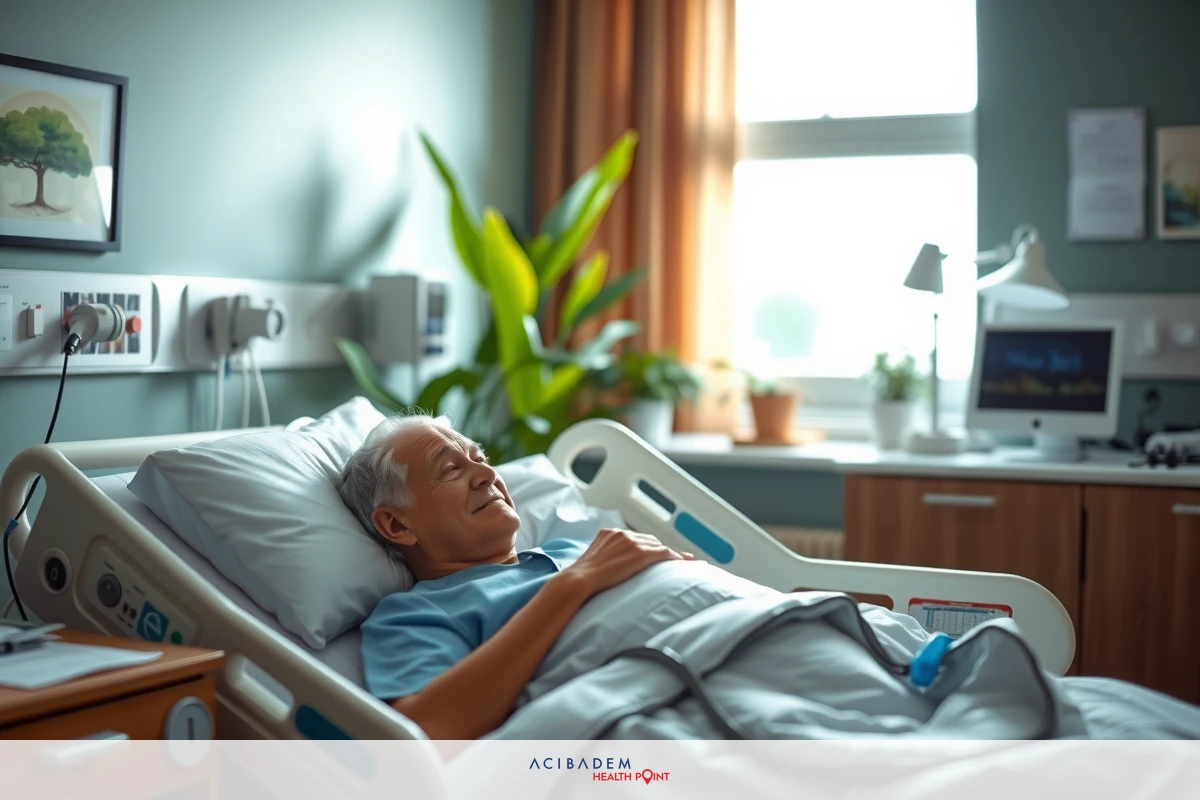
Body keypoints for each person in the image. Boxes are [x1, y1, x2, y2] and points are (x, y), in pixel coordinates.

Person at [336, 414, 696, 740]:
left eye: (479, 459)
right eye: (450, 470)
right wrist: (573, 585)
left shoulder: (578, 547)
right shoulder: (414, 615)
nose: (488, 474)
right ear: (397, 524)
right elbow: (430, 729)